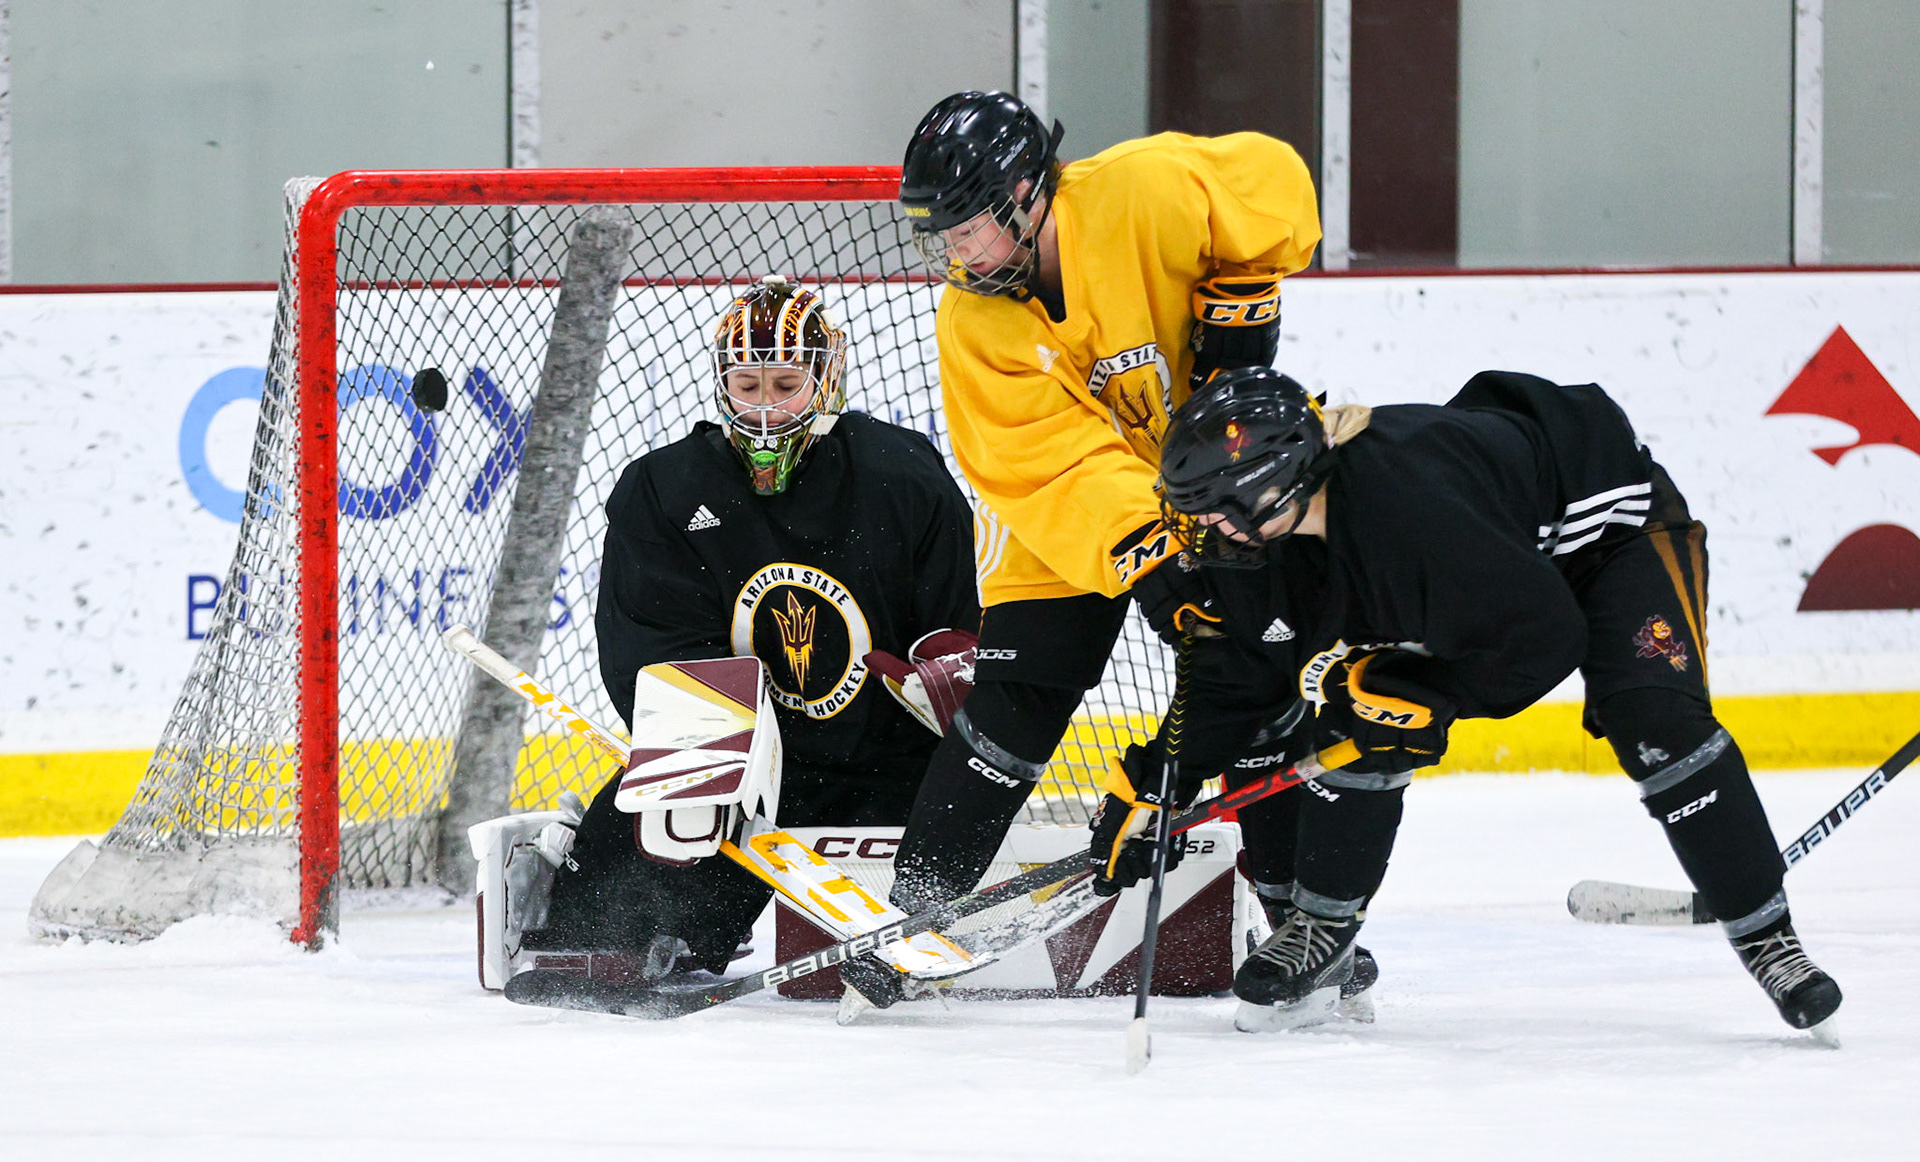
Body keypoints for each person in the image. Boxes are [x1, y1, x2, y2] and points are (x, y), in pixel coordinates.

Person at [1143, 364, 1841, 1038]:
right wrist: (1150, 786)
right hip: (1499, 555)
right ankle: (1323, 928)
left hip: (1614, 540)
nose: (1209, 529)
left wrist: (1438, 699)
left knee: (1653, 718)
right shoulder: (1300, 542)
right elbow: (1249, 675)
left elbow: (1545, 638)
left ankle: (1770, 941)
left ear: (1273, 490)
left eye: (1217, 509)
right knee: (1369, 705)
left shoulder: (1409, 515)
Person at [883, 90, 1322, 932]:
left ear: (1024, 192)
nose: (956, 253)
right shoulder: (972, 323)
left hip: (1219, 482)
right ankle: (910, 917)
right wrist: (1153, 552)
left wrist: (1244, 290)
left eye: (967, 228)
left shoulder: (1140, 189)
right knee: (1019, 692)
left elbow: (1274, 182)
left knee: (1252, 674)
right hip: (1070, 513)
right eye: (942, 235)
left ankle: (1301, 925)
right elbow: (1052, 466)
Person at [530, 276, 980, 978]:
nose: (765, 408)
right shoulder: (663, 490)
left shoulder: (904, 475)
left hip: (883, 757)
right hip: (741, 764)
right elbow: (651, 654)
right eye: (747, 385)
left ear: (826, 381)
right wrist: (736, 745)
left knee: (899, 941)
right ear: (722, 383)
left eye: (785, 385)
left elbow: (954, 622)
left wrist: (946, 676)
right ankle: (600, 872)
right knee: (598, 944)